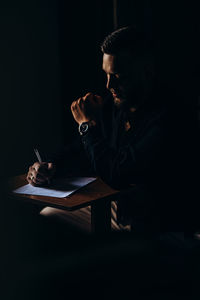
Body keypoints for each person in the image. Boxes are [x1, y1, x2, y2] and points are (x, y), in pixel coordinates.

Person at [26, 26, 199, 235]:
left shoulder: (170, 117)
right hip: (124, 210)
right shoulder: (117, 105)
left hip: (162, 223)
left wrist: (86, 126)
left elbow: (118, 173)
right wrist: (48, 166)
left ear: (146, 71)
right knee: (48, 218)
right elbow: (84, 151)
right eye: (106, 74)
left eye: (119, 76)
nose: (109, 85)